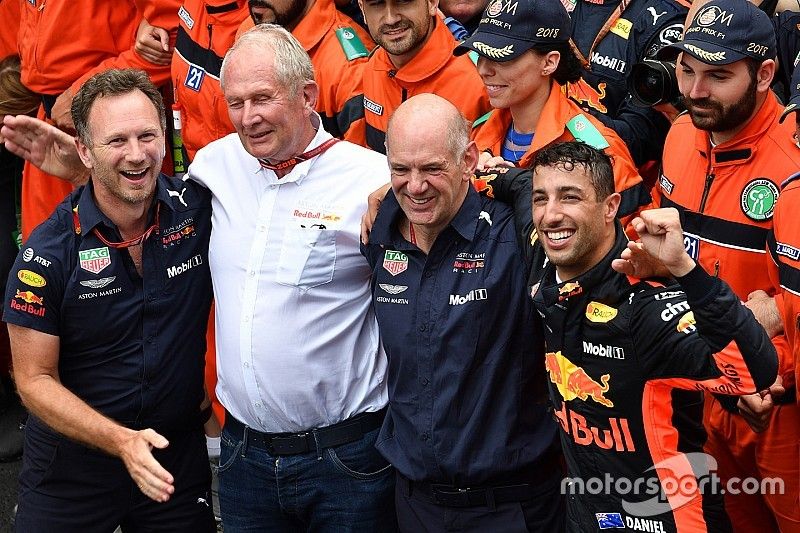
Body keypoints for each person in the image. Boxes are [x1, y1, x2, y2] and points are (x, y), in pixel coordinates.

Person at [188, 25, 395, 531]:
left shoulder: (372, 178)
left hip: (346, 462)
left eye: (262, 98)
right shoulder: (214, 165)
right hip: (243, 459)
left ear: (307, 96)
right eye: (235, 102)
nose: (247, 118)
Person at [2, 69, 215, 531]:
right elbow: (33, 380)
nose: (137, 154)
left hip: (171, 455)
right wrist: (121, 441)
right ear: (84, 148)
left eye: (147, 136)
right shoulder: (46, 254)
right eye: (116, 141)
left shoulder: (199, 211)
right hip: (70, 467)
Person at [529, 141, 777, 532]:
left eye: (570, 197)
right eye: (540, 198)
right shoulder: (544, 259)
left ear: (611, 207)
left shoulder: (643, 304)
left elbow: (753, 373)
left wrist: (684, 269)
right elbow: (508, 187)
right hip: (586, 517)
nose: (550, 214)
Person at [362, 94, 562, 531]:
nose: (415, 186)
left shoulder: (513, 235)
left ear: (469, 158)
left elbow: (572, 222)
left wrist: (515, 180)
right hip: (414, 503)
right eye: (401, 169)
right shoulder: (379, 233)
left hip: (510, 506)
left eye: (432, 168)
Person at [654, 0, 800, 528]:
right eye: (686, 69)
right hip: (702, 392)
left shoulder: (793, 163)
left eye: (717, 75)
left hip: (777, 407)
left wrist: (771, 369)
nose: (694, 91)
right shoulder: (679, 136)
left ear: (764, 74)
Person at [456, 0, 649, 225]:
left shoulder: (601, 151)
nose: (484, 70)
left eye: (502, 57)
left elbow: (629, 248)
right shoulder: (476, 135)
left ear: (549, 62)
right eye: (481, 55)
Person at [353, 0, 491, 152]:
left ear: (432, 3)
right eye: (377, 4)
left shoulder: (480, 78)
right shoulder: (372, 66)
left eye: (403, 2)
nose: (391, 19)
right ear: (362, 9)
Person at [566, 0, 689, 167]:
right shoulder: (541, 7)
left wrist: (558, 115)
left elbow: (637, 139)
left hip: (614, 178)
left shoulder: (665, 17)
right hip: (536, 163)